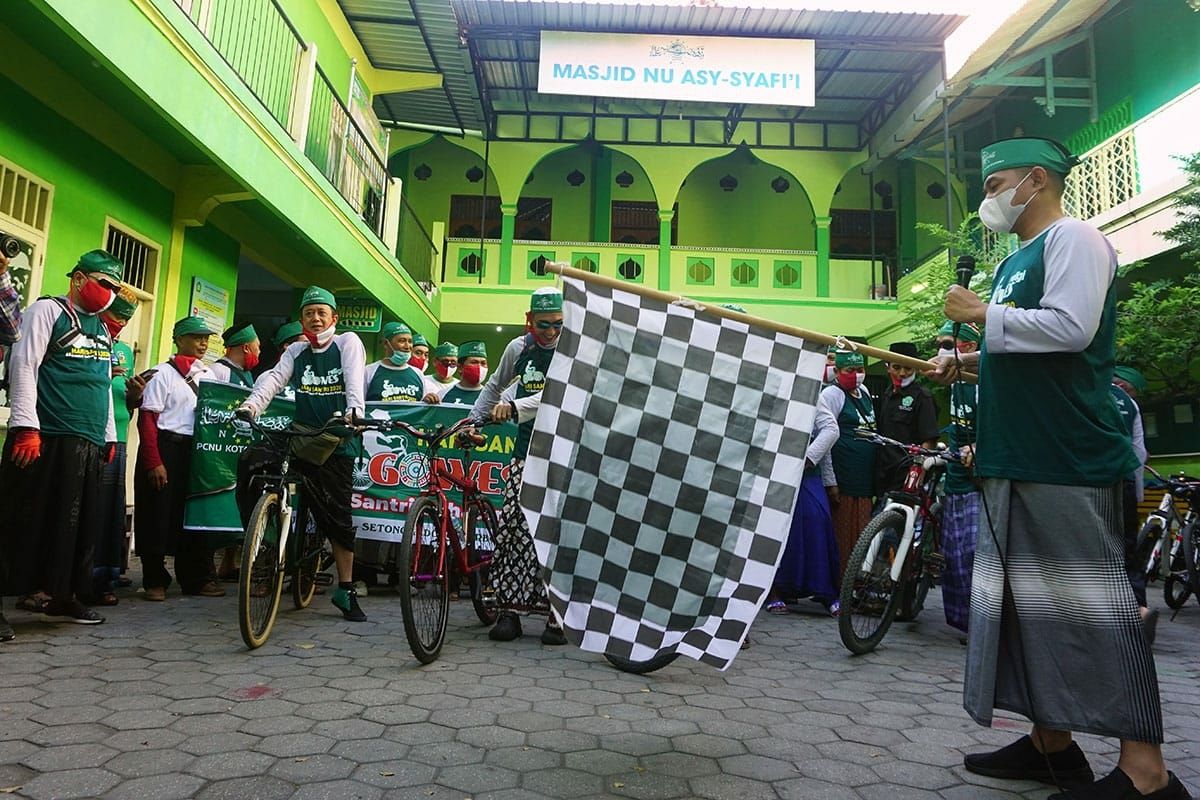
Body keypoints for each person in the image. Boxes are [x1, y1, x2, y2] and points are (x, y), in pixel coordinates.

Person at [935, 137, 1186, 800]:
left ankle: (1147, 774)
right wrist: (966, 359)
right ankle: (1054, 747)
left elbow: (1072, 329)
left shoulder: (1074, 239)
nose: (988, 199)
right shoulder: (1016, 259)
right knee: (1025, 611)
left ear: (1036, 181)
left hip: (1068, 459)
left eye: (996, 185)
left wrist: (982, 316)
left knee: (1094, 610)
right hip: (1018, 457)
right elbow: (1028, 342)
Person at [0, 249, 121, 631]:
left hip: (86, 442)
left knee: (74, 527)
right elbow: (24, 364)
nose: (109, 293)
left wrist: (109, 436)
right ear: (80, 279)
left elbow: (104, 384)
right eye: (104, 284)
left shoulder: (102, 329)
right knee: (18, 521)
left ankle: (61, 596)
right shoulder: (47, 311)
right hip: (45, 437)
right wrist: (25, 426)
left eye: (115, 288)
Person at [238, 286, 369, 622]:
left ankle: (346, 588)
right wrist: (252, 405)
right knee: (253, 462)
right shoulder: (296, 351)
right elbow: (273, 380)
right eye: (309, 313)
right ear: (302, 319)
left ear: (333, 318)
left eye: (321, 312)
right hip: (303, 437)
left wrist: (354, 410)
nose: (315, 318)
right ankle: (265, 536)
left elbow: (354, 380)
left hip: (337, 439)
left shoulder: (347, 342)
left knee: (338, 516)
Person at [468, 287, 566, 645]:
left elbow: (559, 392)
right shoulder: (519, 348)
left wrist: (515, 408)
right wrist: (471, 423)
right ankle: (509, 611)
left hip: (564, 456)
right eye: (544, 325)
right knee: (513, 531)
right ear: (530, 320)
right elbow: (494, 387)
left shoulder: (574, 349)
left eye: (558, 324)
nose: (552, 333)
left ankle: (557, 616)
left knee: (556, 535)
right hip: (524, 454)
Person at [135, 316, 223, 601]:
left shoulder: (207, 376)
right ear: (179, 339)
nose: (203, 343)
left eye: (206, 338)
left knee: (192, 515)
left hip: (195, 451)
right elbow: (148, 419)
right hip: (165, 447)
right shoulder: (161, 374)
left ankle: (194, 578)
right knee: (156, 515)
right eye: (196, 337)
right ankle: (154, 580)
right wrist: (153, 461)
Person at [87, 289, 139, 606]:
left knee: (111, 510)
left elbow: (127, 400)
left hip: (117, 434)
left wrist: (136, 394)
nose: (119, 323)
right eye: (116, 315)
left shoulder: (123, 351)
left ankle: (106, 575)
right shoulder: (86, 342)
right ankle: (80, 578)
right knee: (88, 509)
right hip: (89, 434)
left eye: (126, 318)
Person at [767, 395, 841, 616]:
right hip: (774, 470)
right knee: (777, 528)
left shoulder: (812, 393)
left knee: (817, 520)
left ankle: (826, 592)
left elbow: (830, 431)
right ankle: (775, 592)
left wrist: (810, 462)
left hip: (808, 472)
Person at [935, 320, 982, 636]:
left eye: (948, 343)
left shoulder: (985, 380)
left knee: (973, 553)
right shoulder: (953, 381)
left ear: (967, 347)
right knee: (952, 555)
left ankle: (984, 624)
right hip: (953, 475)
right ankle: (963, 621)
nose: (941, 350)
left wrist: (979, 446)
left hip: (980, 479)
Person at [819, 350, 876, 576]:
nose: (856, 375)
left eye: (860, 370)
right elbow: (826, 437)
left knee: (862, 533)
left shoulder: (864, 391)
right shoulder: (831, 395)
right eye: (850, 370)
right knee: (841, 534)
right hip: (842, 476)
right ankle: (839, 585)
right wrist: (830, 480)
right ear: (837, 371)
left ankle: (858, 583)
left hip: (864, 478)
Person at [1111, 365, 1154, 638]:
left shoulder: (1082, 390)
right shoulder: (1130, 406)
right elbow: (1139, 453)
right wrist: (1136, 493)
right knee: (1127, 549)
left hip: (1087, 480)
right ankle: (1138, 610)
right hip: (1123, 479)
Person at [874, 341, 940, 499]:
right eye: (896, 367)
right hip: (883, 473)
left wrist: (918, 472)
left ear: (916, 369)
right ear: (888, 367)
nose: (902, 373)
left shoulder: (923, 397)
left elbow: (929, 440)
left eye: (908, 368)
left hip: (907, 473)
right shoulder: (886, 394)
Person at [364, 321, 433, 403]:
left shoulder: (418, 374)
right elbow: (358, 405)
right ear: (386, 343)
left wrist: (428, 399)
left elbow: (421, 407)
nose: (407, 346)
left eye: (410, 341)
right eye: (402, 341)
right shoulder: (368, 372)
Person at [207, 322, 260, 387]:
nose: (259, 352)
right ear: (246, 348)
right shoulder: (218, 370)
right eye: (258, 347)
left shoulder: (248, 374)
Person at [440, 341, 488, 405]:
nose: (480, 367)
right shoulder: (443, 394)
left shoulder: (491, 397)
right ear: (460, 367)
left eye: (483, 363)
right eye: (474, 362)